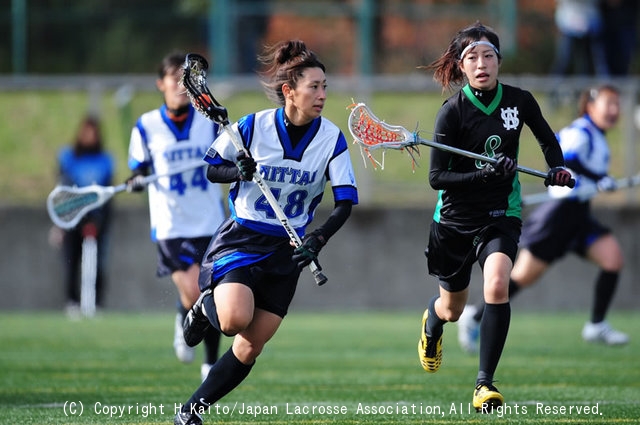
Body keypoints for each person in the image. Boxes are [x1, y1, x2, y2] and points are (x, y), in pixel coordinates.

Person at [173, 39, 358, 425]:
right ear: (289, 91)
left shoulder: (331, 139)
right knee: (234, 320)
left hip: (288, 250)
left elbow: (344, 202)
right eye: (314, 87)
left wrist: (317, 238)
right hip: (241, 239)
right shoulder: (252, 126)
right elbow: (212, 168)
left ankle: (191, 411)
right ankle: (203, 311)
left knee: (251, 345)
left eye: (325, 86)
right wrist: (237, 170)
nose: (323, 94)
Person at [416, 22, 573, 413]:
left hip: (502, 213)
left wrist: (557, 168)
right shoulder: (452, 112)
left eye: (488, 56)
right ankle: (433, 324)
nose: (482, 63)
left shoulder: (519, 101)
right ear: (461, 66)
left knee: (498, 285)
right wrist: (482, 174)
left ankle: (484, 385)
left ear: (499, 61)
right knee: (451, 309)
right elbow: (438, 178)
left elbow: (548, 141)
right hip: (453, 221)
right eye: (472, 58)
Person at [458, 84, 629, 355]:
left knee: (613, 259)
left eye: (617, 104)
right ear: (590, 106)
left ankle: (596, 324)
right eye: (608, 103)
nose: (614, 110)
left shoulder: (598, 137)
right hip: (558, 216)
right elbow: (566, 159)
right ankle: (474, 316)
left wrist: (598, 182)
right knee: (521, 277)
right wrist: (598, 179)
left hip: (579, 215)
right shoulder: (581, 132)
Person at [126, 51, 226, 380]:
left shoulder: (209, 122)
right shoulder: (146, 126)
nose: (181, 86)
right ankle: (183, 315)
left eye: (186, 80)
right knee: (195, 293)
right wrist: (135, 182)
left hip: (210, 220)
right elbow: (138, 170)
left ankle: (210, 362)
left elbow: (227, 159)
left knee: (210, 293)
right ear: (161, 84)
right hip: (172, 224)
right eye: (174, 79)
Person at [52, 115, 115, 318]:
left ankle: (96, 303)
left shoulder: (105, 161)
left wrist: (98, 222)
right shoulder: (67, 157)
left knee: (96, 263)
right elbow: (62, 190)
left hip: (96, 220)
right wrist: (60, 223)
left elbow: (107, 195)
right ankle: (72, 303)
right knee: (71, 261)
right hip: (72, 219)